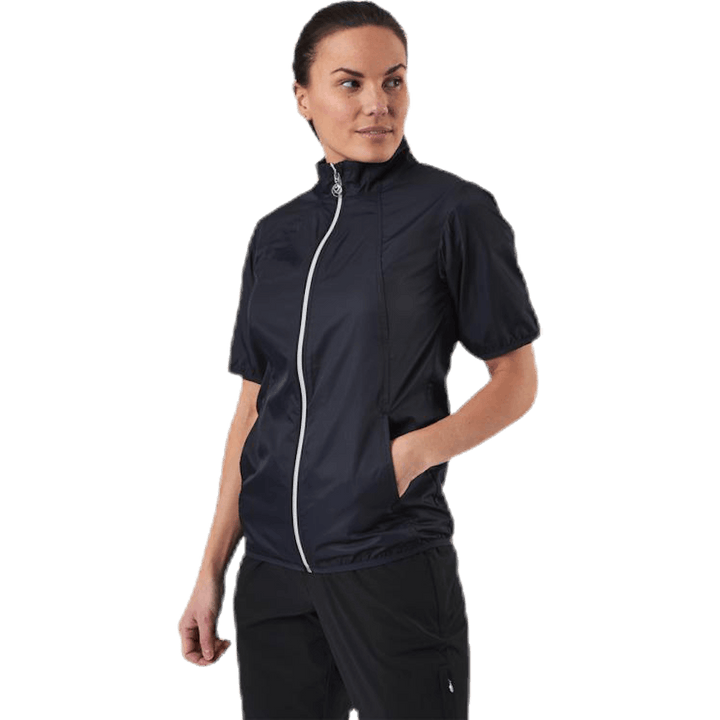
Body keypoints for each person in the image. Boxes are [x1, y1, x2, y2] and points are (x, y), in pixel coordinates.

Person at [177, 1, 542, 717]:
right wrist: (212, 567)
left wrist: (404, 459)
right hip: (273, 573)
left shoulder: (455, 211)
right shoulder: (275, 235)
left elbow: (517, 380)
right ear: (302, 97)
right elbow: (254, 407)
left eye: (394, 81)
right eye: (350, 83)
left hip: (389, 560)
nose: (378, 103)